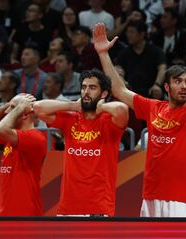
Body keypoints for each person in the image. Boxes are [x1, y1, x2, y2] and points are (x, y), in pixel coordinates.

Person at [94, 22, 186, 217]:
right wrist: (103, 54)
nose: (184, 86)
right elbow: (119, 91)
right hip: (151, 197)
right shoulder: (153, 107)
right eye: (178, 82)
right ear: (166, 87)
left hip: (181, 200)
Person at [34, 69, 129, 216]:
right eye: (84, 87)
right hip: (68, 207)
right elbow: (38, 108)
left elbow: (122, 109)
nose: (86, 92)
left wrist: (101, 107)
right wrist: (72, 106)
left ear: (104, 94)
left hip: (98, 207)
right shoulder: (71, 118)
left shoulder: (109, 121)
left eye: (92, 88)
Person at [0, 94, 47, 216]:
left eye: (12, 108)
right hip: (6, 211)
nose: (6, 112)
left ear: (25, 115)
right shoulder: (10, 138)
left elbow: (0, 129)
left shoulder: (35, 138)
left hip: (26, 214)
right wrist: (10, 104)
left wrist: (20, 107)